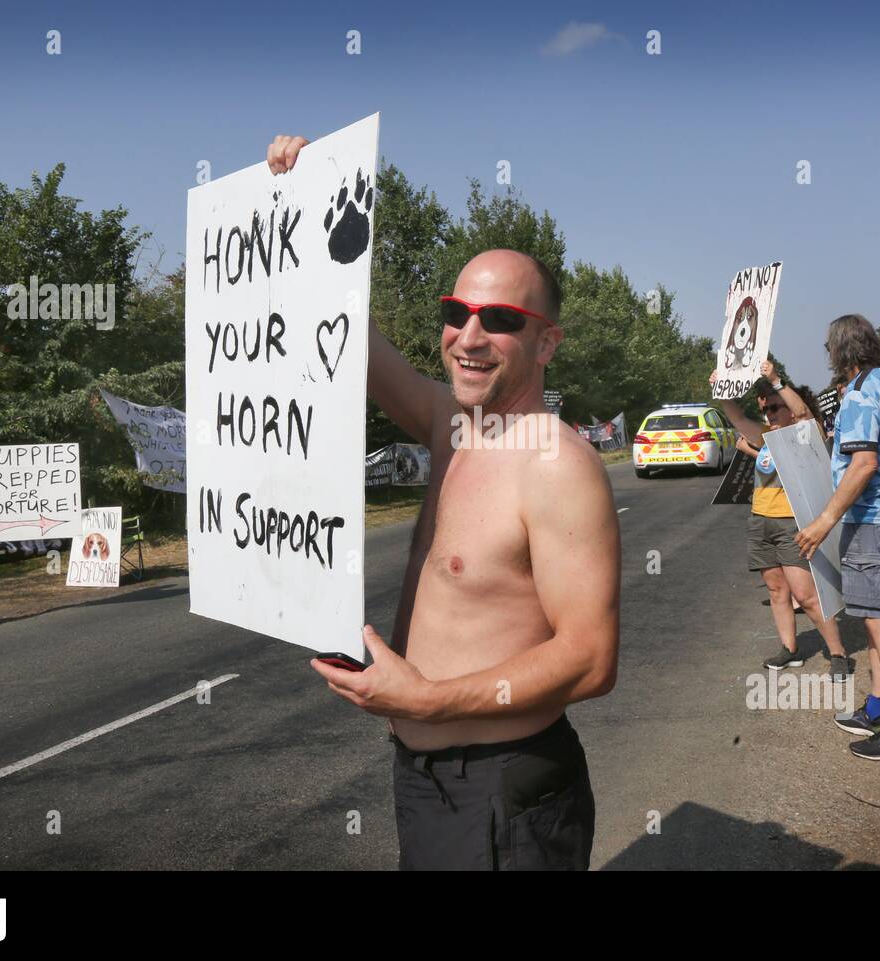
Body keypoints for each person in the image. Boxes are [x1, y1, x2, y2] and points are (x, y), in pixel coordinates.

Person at [267, 134, 619, 871]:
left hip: (503, 790)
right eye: (457, 312)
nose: (469, 334)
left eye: (500, 319)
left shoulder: (559, 465)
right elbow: (351, 340)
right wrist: (299, 203)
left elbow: (590, 660)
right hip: (428, 785)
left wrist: (427, 700)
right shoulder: (448, 421)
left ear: (546, 343)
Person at [794, 314, 880, 760]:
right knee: (875, 614)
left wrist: (823, 521)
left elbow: (864, 464)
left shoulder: (859, 394)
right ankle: (877, 706)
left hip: (874, 517)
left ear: (838, 351)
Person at [711, 362, 849, 678]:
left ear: (787, 407)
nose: (770, 413)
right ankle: (790, 649)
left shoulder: (804, 436)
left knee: (805, 594)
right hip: (761, 519)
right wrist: (721, 391)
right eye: (767, 409)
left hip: (791, 523)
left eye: (775, 407)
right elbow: (737, 418)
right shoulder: (766, 436)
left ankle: (838, 653)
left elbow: (802, 415)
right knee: (776, 590)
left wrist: (775, 380)